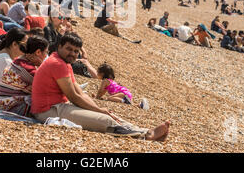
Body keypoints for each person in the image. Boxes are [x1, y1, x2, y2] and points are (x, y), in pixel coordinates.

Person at [31, 32, 170, 140]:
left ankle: (143, 130)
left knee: (109, 114)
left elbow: (79, 92)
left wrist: (99, 108)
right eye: (69, 49)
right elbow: (73, 96)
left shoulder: (64, 63)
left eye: (76, 51)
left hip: (58, 106)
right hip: (47, 111)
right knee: (104, 119)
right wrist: (98, 110)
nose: (72, 54)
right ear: (59, 46)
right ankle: (144, 136)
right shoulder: (57, 63)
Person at [0, 35, 49, 116]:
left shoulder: (20, 60)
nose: (46, 56)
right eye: (46, 52)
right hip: (11, 107)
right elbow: (50, 84)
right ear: (38, 52)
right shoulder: (26, 68)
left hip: (3, 103)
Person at [0, 28, 27, 109]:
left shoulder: (3, 57)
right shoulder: (5, 60)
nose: (26, 50)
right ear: (14, 44)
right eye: (25, 46)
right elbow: (20, 84)